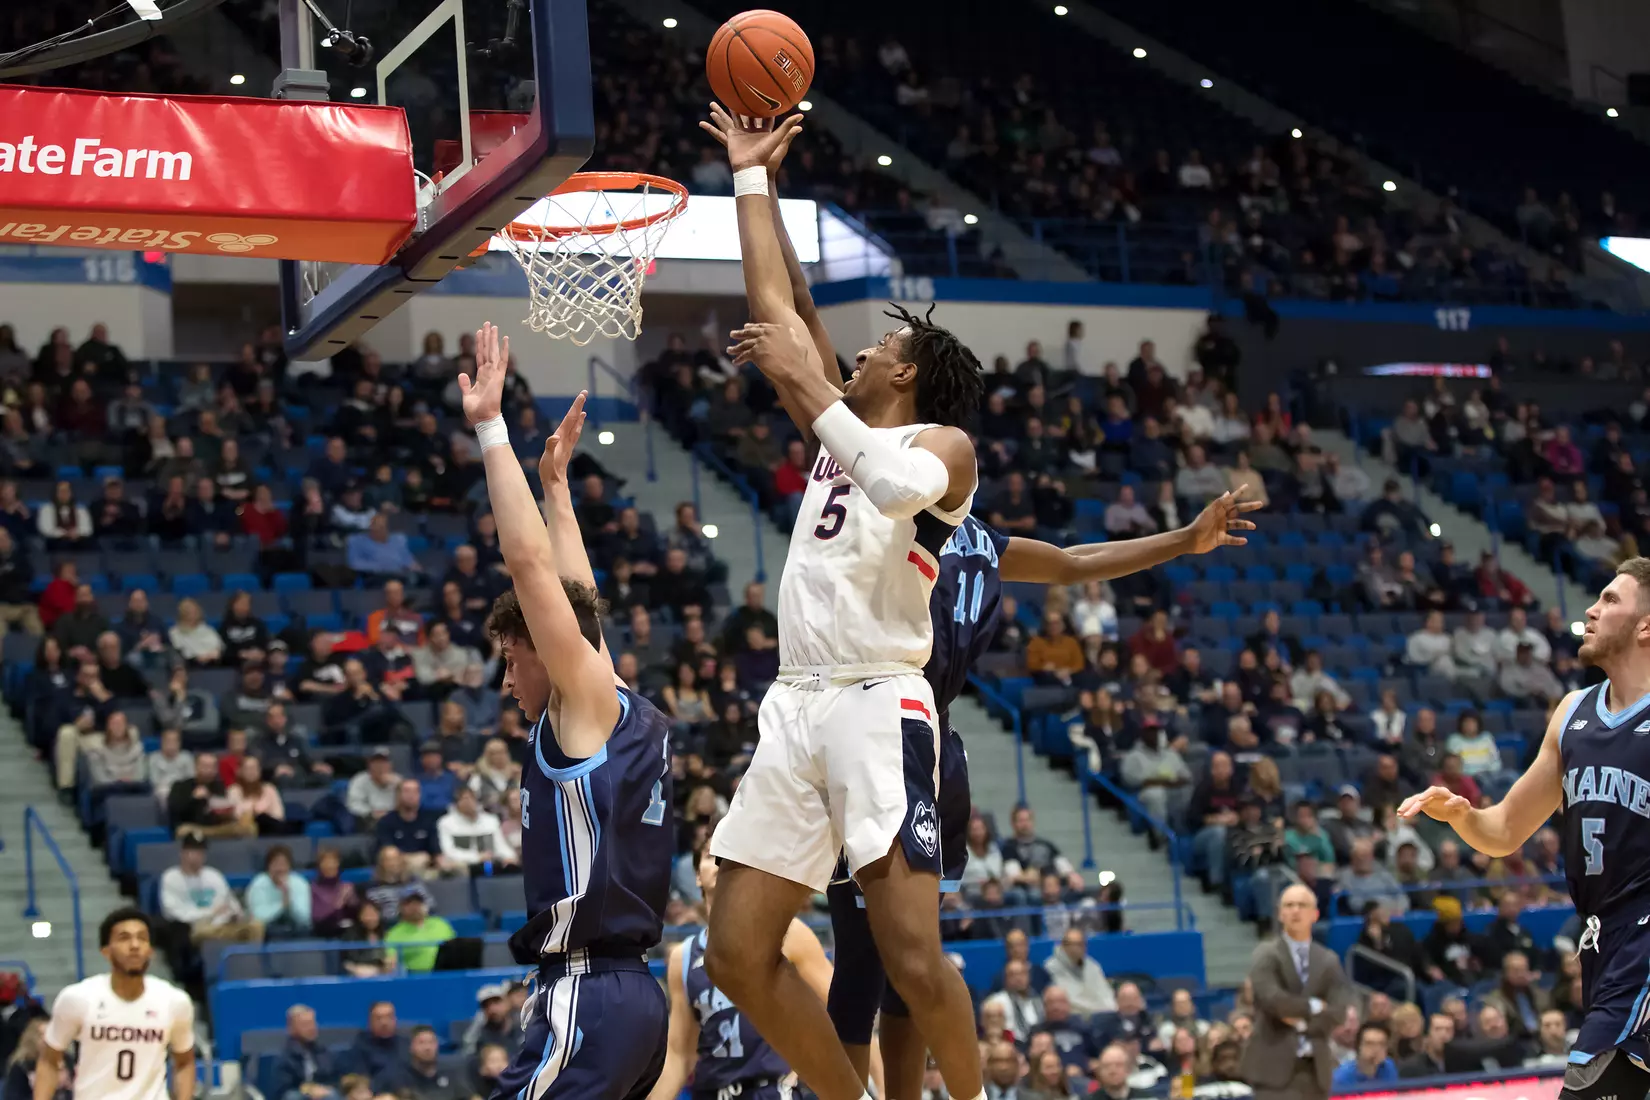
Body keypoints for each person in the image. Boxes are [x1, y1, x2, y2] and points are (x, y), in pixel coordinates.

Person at [461, 337, 673, 1100]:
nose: (508, 678)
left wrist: (491, 430)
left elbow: (533, 571)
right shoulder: (611, 695)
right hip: (632, 997)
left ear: (542, 650)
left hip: (586, 989)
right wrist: (556, 488)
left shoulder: (579, 701)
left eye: (512, 658)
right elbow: (579, 595)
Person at [1401, 558, 1650, 1098]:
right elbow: (1507, 830)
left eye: (1610, 600)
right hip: (1603, 942)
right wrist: (1462, 812)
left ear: (1645, 625)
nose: (1592, 608)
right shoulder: (1571, 713)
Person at [649, 834, 844, 1100]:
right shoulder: (683, 958)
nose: (719, 863)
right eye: (709, 856)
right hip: (712, 1091)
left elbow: (843, 1010)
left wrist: (808, 1064)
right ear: (697, 875)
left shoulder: (787, 934)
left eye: (728, 854)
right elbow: (679, 1054)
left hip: (773, 1089)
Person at [36, 909, 195, 1100]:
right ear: (106, 951)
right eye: (124, 938)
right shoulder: (77, 998)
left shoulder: (174, 1001)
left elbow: (185, 1062)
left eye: (142, 938)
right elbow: (49, 1060)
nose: (135, 945)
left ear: (151, 950)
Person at [1240, 885, 1355, 1100]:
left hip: (1316, 1069)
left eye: (1302, 905)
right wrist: (1314, 1006)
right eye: (1289, 905)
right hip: (1273, 1069)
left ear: (1315, 914)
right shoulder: (1265, 954)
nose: (1295, 911)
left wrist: (1300, 1022)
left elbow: (1339, 1010)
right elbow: (1273, 1001)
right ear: (1280, 914)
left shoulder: (1328, 959)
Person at [269, 1005, 336, 1100]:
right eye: (306, 1024)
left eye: (313, 1023)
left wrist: (324, 1088)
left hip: (321, 1092)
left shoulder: (322, 1051)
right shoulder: (284, 1057)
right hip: (298, 1094)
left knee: (333, 1095)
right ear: (291, 1029)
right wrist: (308, 1091)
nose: (312, 1028)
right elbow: (282, 1089)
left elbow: (333, 1076)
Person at [1331, 1025, 1397, 1088]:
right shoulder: (1341, 1077)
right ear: (1358, 1046)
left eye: (1382, 1044)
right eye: (1369, 1044)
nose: (1376, 1049)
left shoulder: (1389, 1066)